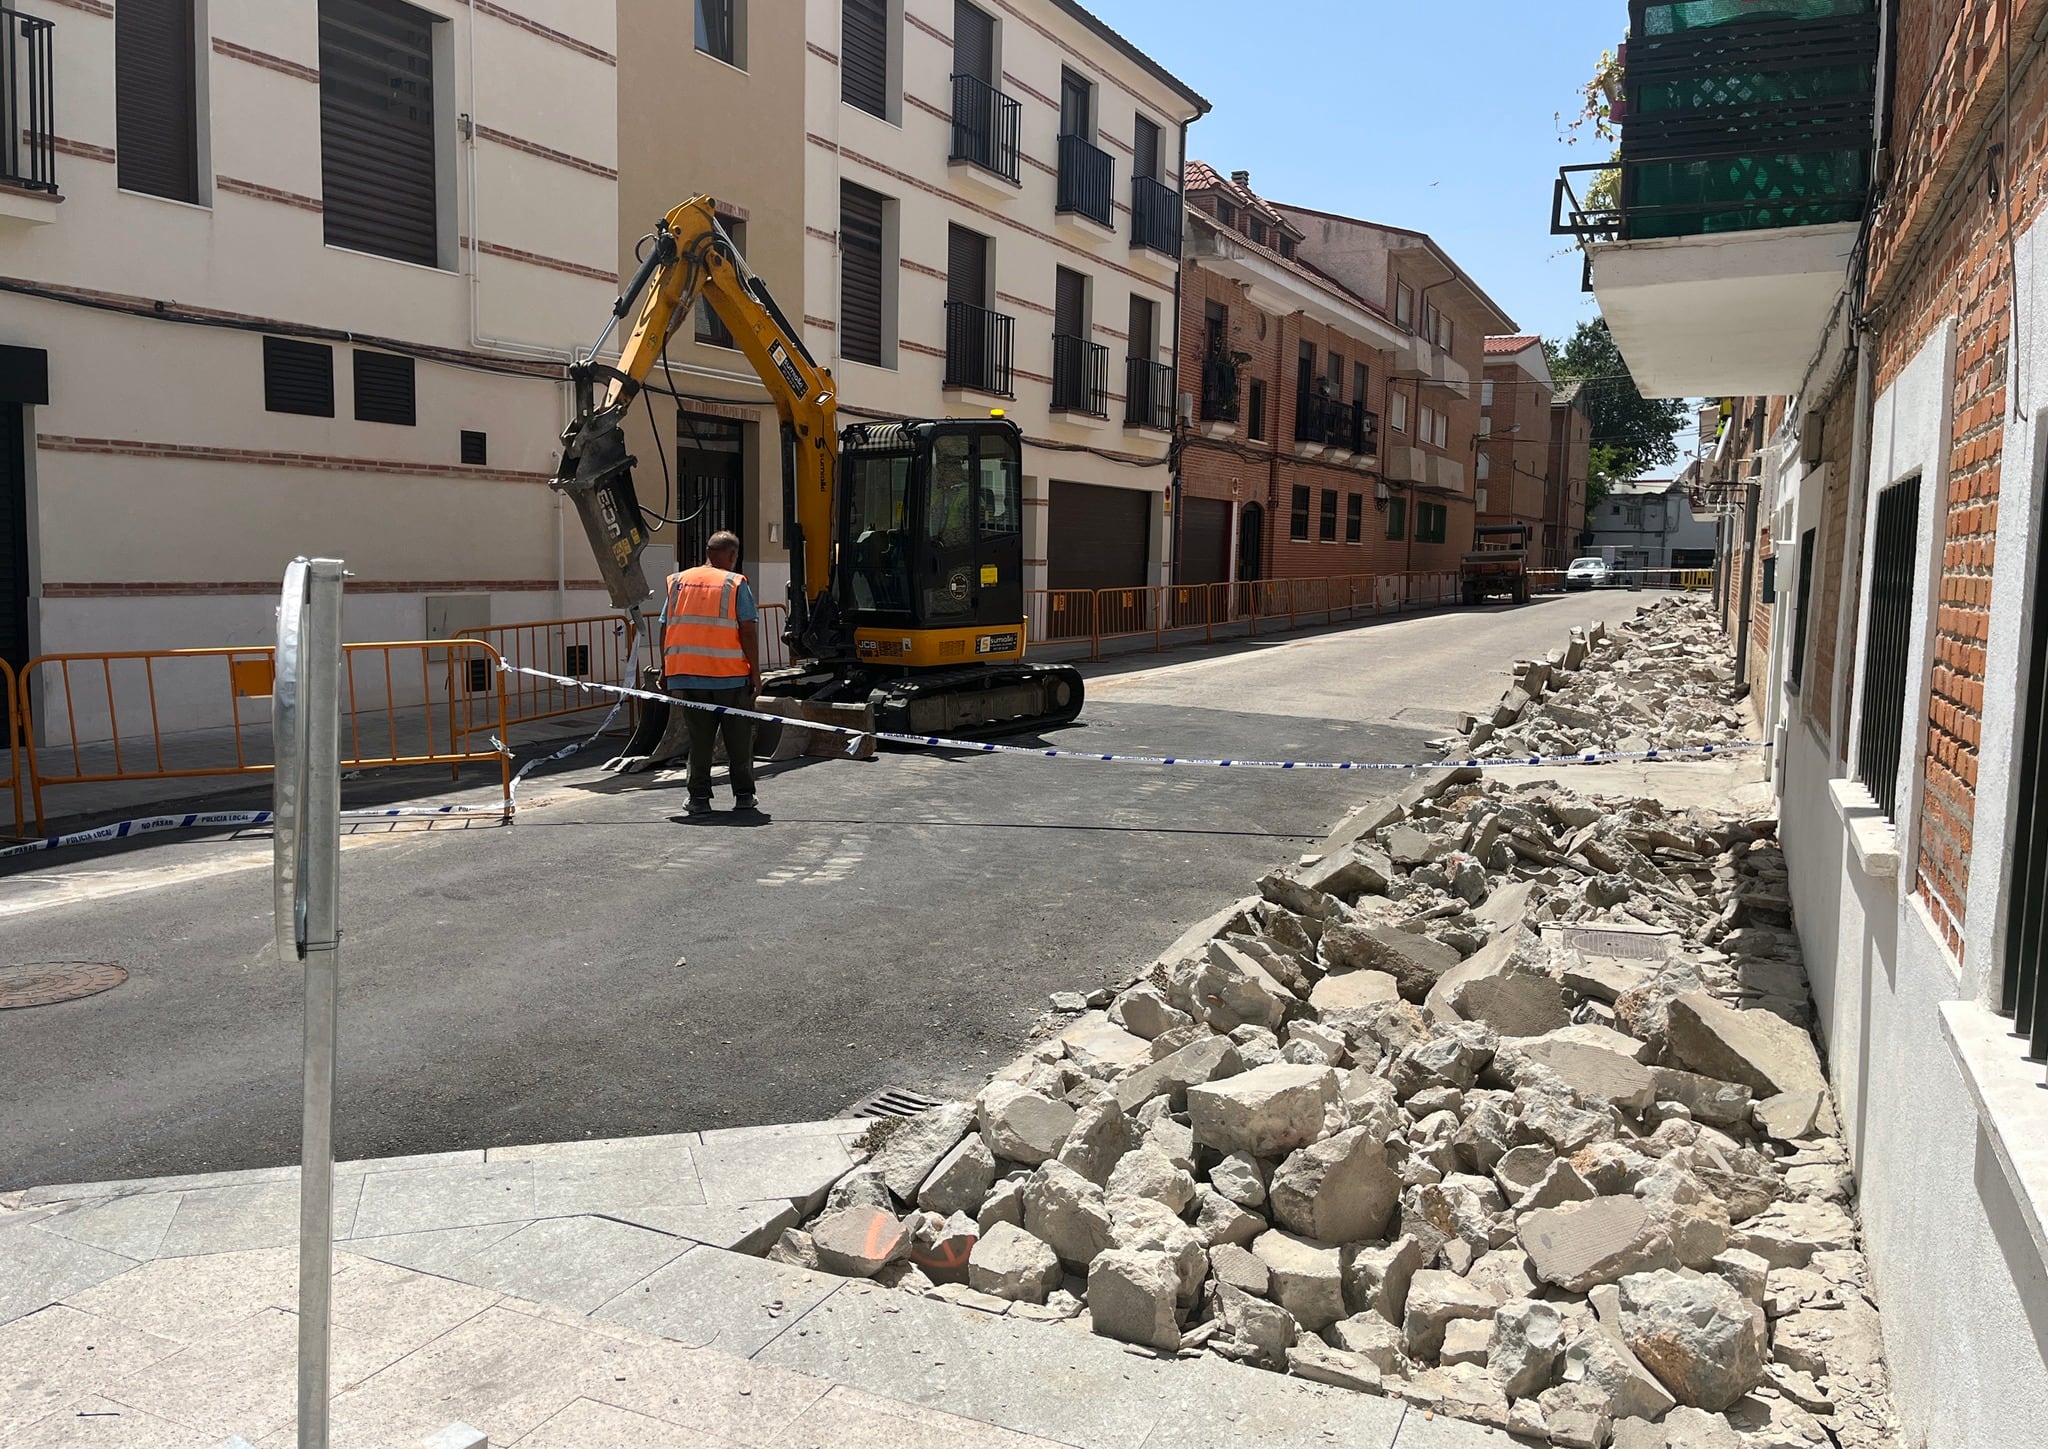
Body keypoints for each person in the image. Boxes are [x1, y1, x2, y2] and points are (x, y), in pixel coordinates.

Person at [659, 531, 762, 814]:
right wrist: (755, 672)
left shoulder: (679, 581)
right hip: (730, 676)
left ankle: (698, 799)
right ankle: (743, 795)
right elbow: (748, 630)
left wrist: (665, 668)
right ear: (732, 555)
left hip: (689, 676)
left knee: (700, 741)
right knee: (739, 740)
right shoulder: (735, 582)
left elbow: (665, 627)